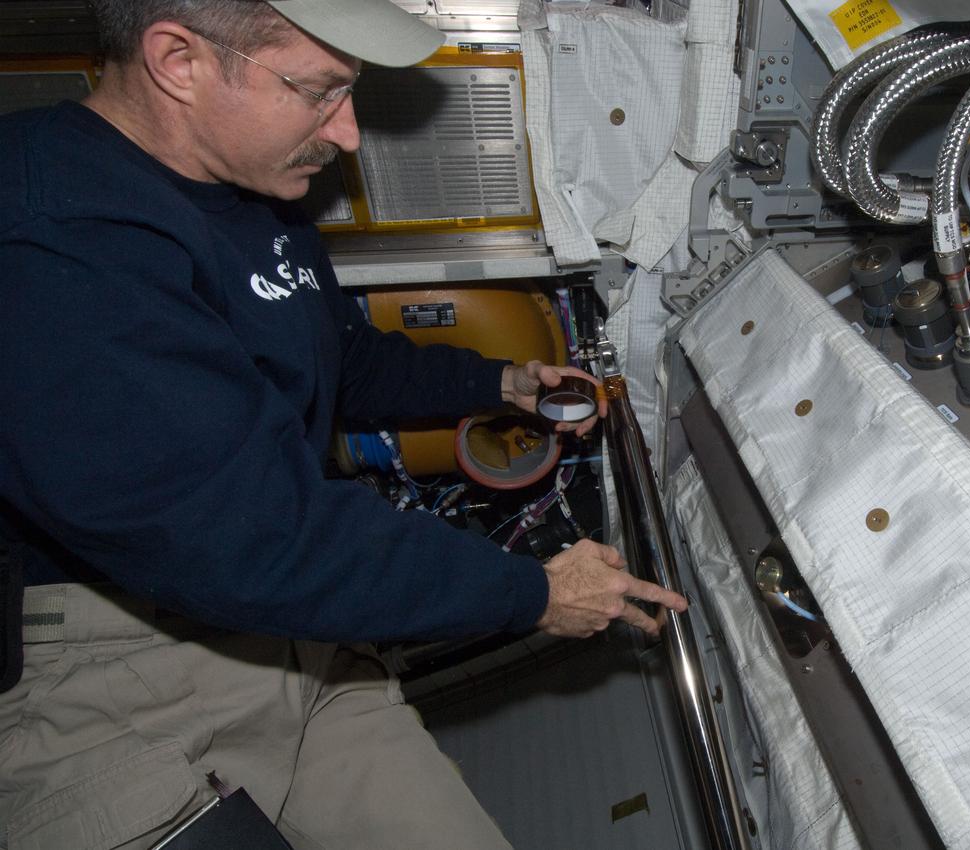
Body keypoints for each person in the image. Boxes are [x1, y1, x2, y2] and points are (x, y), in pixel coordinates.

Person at [0, 0, 687, 847]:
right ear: (179, 61)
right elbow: (249, 535)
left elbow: (342, 355)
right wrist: (534, 593)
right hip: (117, 677)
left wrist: (498, 380)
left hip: (298, 631)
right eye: (320, 91)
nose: (350, 135)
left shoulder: (250, 185)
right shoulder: (50, 239)